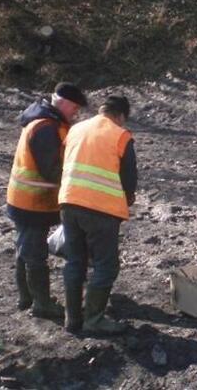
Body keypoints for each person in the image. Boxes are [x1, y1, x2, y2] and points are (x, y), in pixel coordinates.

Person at [7, 82, 87, 318]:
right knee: (34, 254)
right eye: (75, 108)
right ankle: (41, 304)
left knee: (25, 250)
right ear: (64, 103)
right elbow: (51, 170)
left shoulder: (46, 123)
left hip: (28, 201)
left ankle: (26, 297)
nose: (76, 113)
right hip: (31, 202)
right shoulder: (45, 128)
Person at [59, 96, 137, 335]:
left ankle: (72, 319)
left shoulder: (75, 129)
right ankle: (94, 319)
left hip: (69, 202)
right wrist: (127, 200)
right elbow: (129, 179)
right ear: (121, 116)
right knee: (106, 265)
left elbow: (64, 161)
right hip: (101, 210)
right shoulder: (121, 136)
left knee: (75, 261)